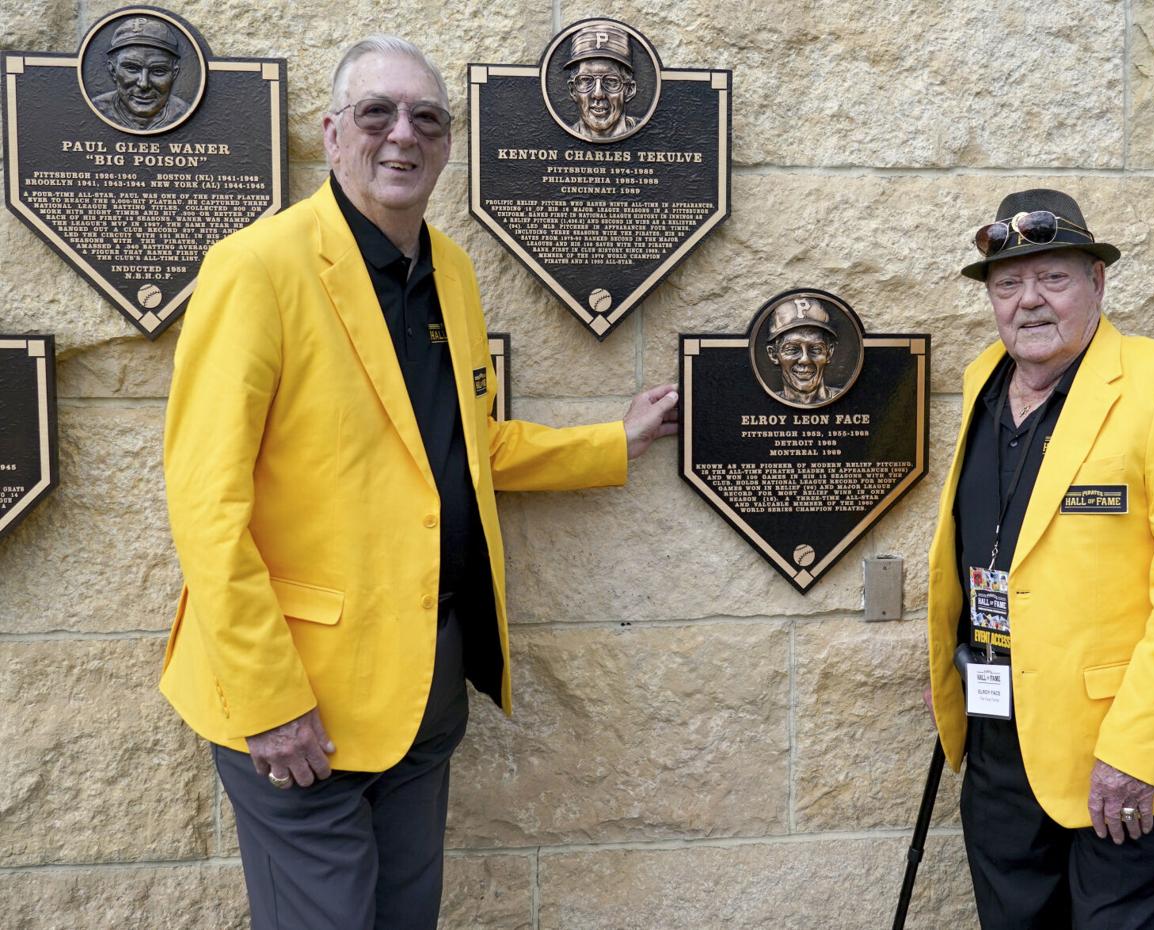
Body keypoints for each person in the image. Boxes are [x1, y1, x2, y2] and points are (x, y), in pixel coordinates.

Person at [159, 36, 678, 930]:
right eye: (377, 114)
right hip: (299, 704)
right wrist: (272, 702)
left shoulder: (454, 275)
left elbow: (465, 444)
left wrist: (611, 443)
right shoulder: (257, 269)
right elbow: (206, 507)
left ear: (445, 144)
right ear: (331, 134)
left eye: (427, 120)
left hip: (424, 688)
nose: (403, 135)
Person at [922, 188, 1154, 929]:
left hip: (1119, 753)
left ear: (1097, 283)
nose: (1028, 301)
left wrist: (1134, 751)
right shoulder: (981, 382)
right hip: (1000, 742)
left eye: (1054, 278)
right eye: (1008, 284)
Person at [90, 16, 191, 130]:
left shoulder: (186, 113)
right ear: (113, 71)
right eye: (132, 68)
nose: (144, 84)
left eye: (158, 71)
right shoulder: (91, 110)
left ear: (174, 74)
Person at [564, 21, 640, 140]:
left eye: (611, 81)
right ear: (573, 90)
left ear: (629, 90)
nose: (598, 94)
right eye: (586, 80)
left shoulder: (654, 135)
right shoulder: (557, 139)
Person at [763, 296, 842, 405]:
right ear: (773, 354)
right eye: (792, 349)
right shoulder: (761, 403)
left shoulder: (852, 399)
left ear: (829, 353)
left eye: (815, 349)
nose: (805, 359)